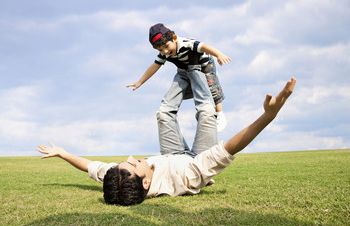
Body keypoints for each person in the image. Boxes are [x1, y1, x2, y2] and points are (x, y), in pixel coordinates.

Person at [36, 77, 296, 206]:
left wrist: (62, 153)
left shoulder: (119, 178)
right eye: (133, 165)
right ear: (146, 182)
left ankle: (184, 71)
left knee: (162, 114)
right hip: (192, 158)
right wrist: (268, 116)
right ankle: (199, 72)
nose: (130, 158)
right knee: (206, 112)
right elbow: (230, 147)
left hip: (171, 154)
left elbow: (90, 166)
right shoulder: (185, 177)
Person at [126, 23, 231, 133]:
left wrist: (219, 54)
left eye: (166, 46)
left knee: (212, 86)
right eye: (160, 50)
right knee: (188, 90)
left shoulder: (186, 43)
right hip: (187, 69)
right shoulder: (165, 54)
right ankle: (205, 113)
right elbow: (154, 66)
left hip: (204, 63)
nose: (165, 52)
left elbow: (204, 46)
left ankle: (220, 115)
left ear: (174, 38)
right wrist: (140, 82)